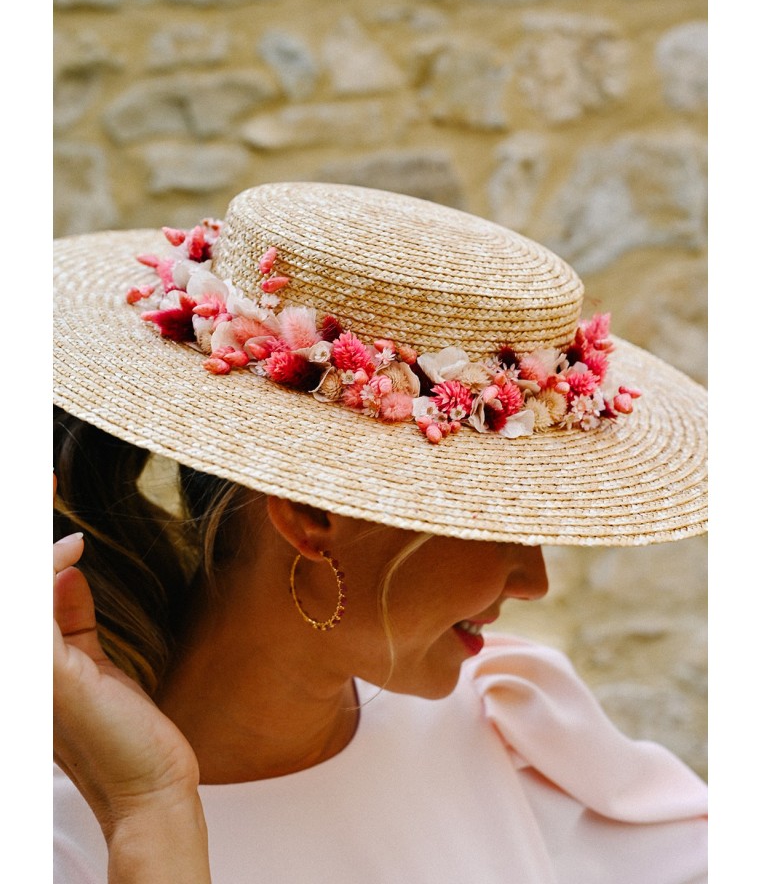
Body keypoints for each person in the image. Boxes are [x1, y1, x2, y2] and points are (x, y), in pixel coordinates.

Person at [53, 181, 708, 884]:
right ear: (312, 516)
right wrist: (150, 813)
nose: (535, 581)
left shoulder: (522, 732)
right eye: (492, 520)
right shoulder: (55, 844)